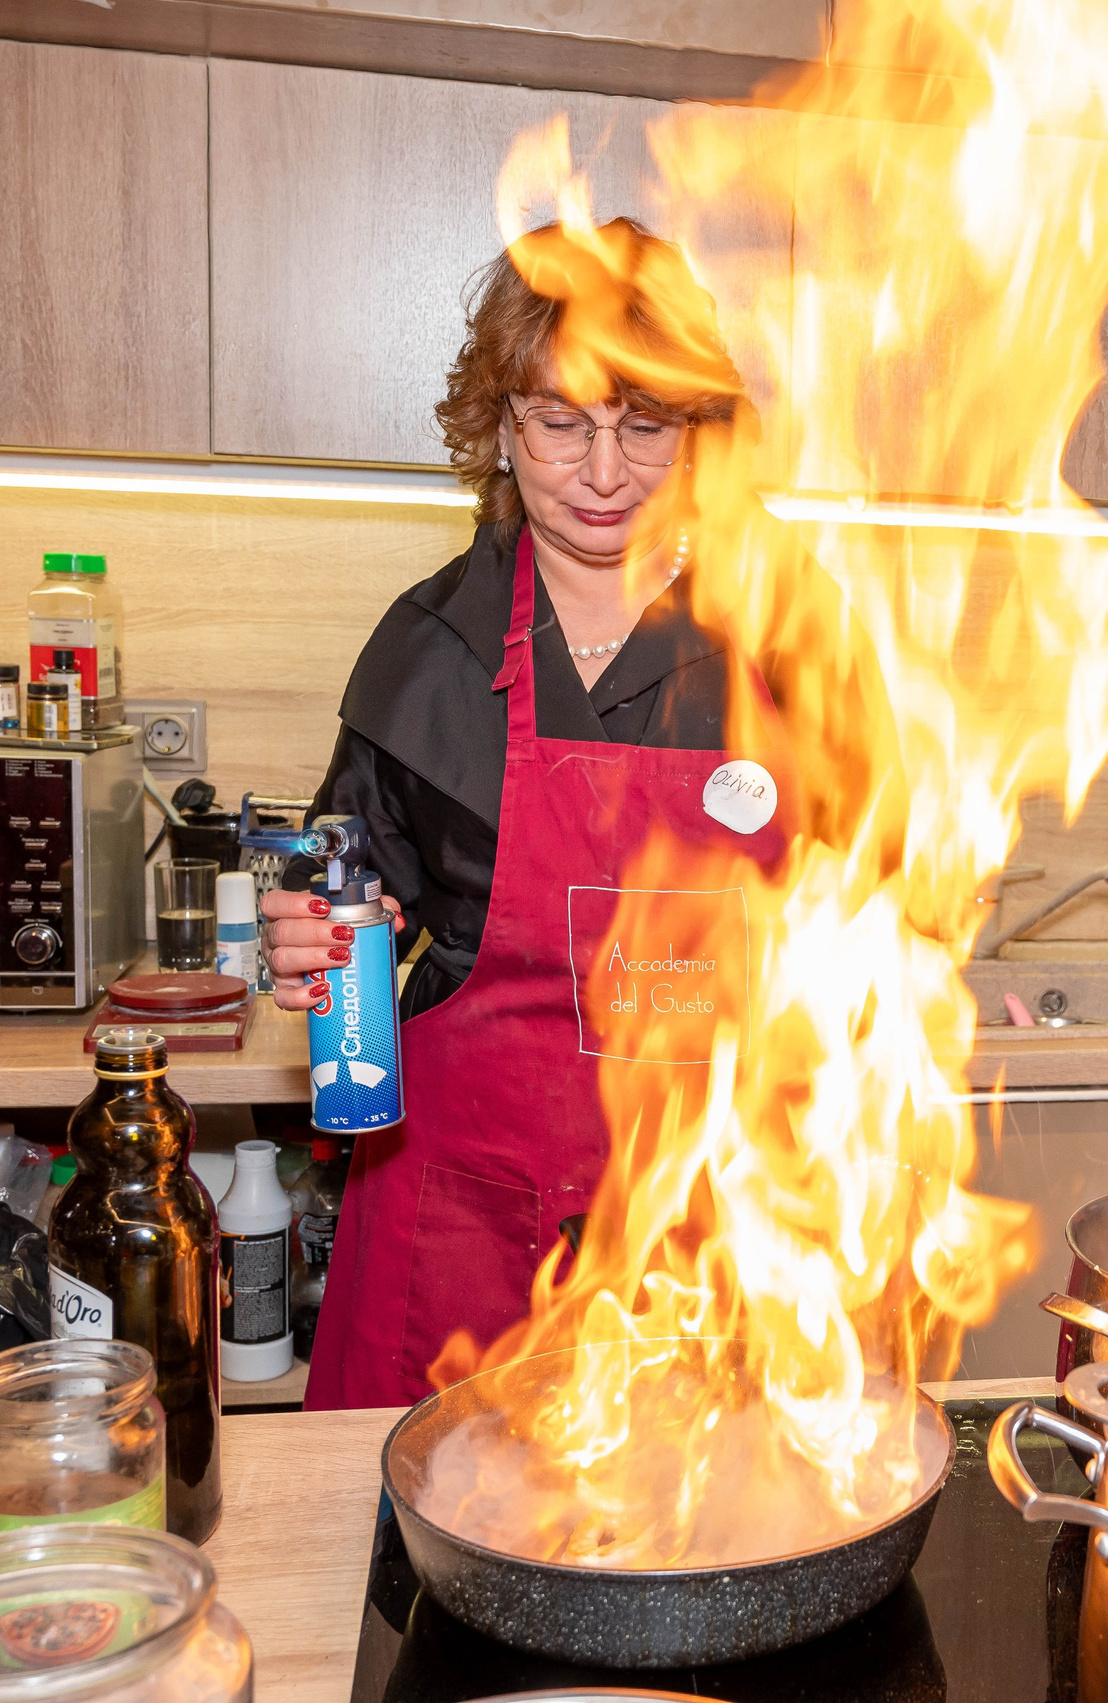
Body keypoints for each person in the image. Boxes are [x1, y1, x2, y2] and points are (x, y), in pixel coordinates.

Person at [262, 219, 826, 1408]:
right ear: (504, 430)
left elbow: (882, 885)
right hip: (460, 1212)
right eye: (562, 424)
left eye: (645, 426)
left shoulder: (789, 636)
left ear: (699, 432)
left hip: (711, 1211)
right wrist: (304, 938)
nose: (604, 473)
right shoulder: (428, 650)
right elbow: (343, 885)